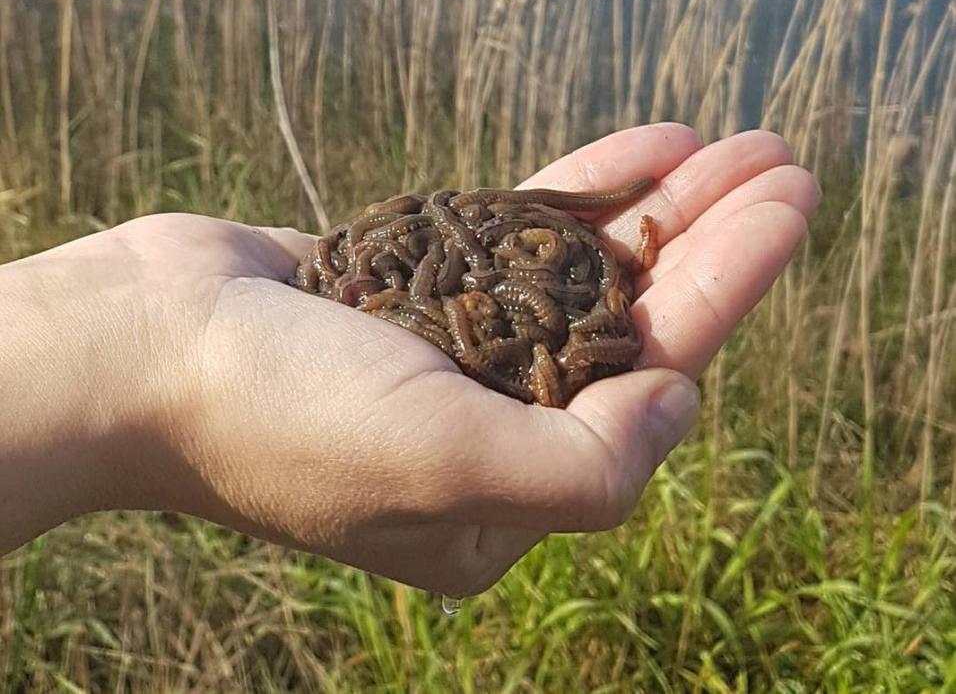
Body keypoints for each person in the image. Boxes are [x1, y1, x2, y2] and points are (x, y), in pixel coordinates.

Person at [0, 123, 818, 599]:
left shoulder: (560, 268)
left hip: (516, 282)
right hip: (469, 277)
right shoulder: (394, 268)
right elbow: (421, 254)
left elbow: (493, 252)